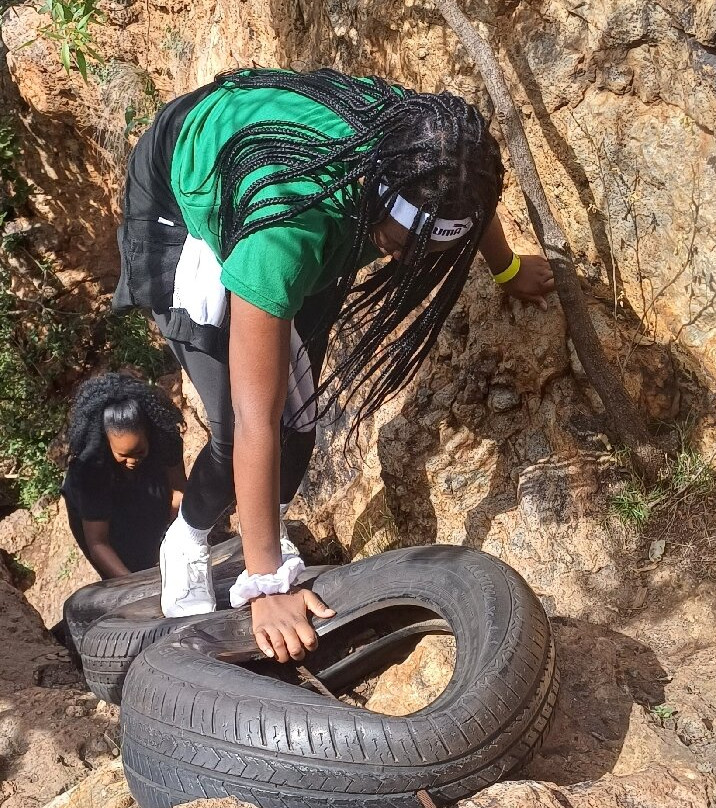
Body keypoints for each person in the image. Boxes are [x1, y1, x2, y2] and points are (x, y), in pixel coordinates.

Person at [111, 67, 554, 662]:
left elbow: (469, 200)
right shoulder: (285, 234)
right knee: (234, 428)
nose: (412, 260)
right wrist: (267, 584)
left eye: (432, 247)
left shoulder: (435, 158)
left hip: (303, 190)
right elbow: (254, 418)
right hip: (183, 189)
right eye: (404, 244)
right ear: (376, 193)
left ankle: (261, 530)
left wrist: (507, 268)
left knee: (300, 422)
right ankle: (187, 539)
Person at [61, 373, 186, 578]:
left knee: (153, 549)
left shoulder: (165, 441)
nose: (132, 460)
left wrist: (172, 538)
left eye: (139, 451)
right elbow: (98, 543)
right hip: (101, 514)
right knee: (127, 564)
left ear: (149, 435)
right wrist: (133, 584)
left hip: (146, 493)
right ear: (106, 444)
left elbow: (178, 492)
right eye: (124, 455)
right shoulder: (89, 469)